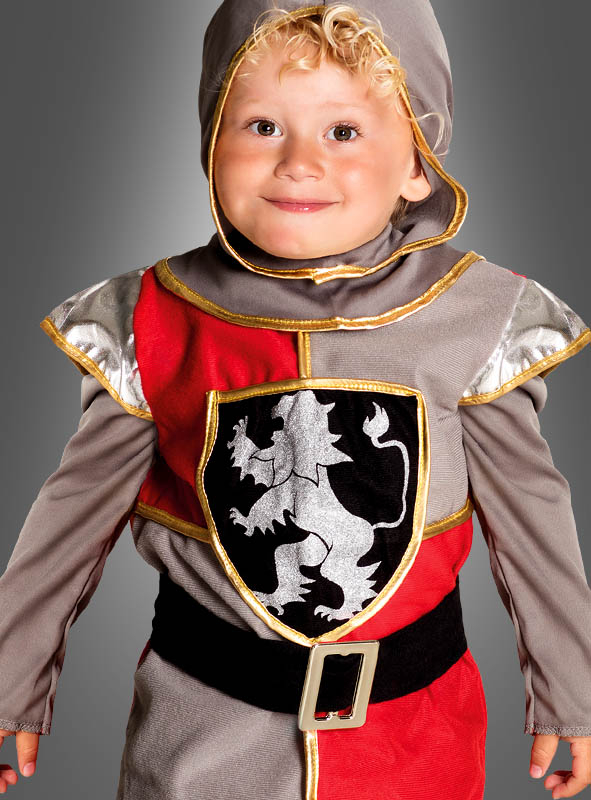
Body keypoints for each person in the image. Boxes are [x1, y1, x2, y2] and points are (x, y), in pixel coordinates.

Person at [0, 1, 590, 798]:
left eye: (342, 131)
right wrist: (10, 685)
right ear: (211, 143)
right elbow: (69, 523)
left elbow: (531, 522)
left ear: (417, 165)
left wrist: (570, 695)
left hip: (415, 748)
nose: (298, 163)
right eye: (262, 126)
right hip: (199, 747)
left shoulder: (474, 318)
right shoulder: (152, 319)